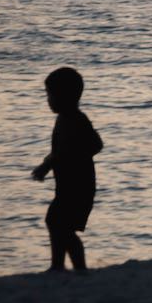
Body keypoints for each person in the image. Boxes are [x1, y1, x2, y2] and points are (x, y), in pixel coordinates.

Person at [31, 66, 103, 271]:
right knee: (57, 223)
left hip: (78, 185)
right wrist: (49, 164)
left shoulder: (76, 120)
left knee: (59, 224)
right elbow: (60, 152)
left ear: (64, 96)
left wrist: (50, 164)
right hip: (68, 185)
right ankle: (58, 265)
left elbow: (94, 145)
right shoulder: (65, 119)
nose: (48, 100)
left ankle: (78, 267)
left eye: (50, 95)